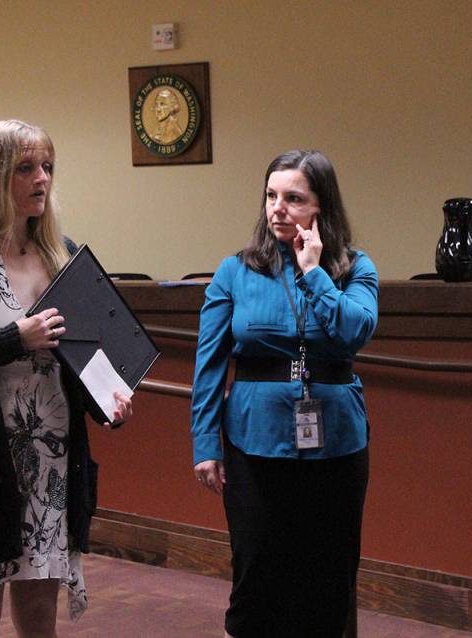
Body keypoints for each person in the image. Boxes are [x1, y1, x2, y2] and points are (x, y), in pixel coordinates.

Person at [0, 119, 133, 636]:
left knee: (40, 619)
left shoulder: (62, 254)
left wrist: (107, 404)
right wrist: (13, 339)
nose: (42, 179)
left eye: (47, 167)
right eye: (26, 168)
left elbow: (83, 360)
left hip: (51, 464)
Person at [191, 149, 379, 638]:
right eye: (271, 196)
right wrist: (205, 444)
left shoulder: (355, 267)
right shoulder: (235, 271)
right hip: (254, 440)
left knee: (328, 580)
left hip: (337, 444)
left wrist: (315, 272)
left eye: (294, 198)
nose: (277, 208)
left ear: (321, 206)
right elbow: (209, 365)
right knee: (256, 577)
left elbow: (354, 332)